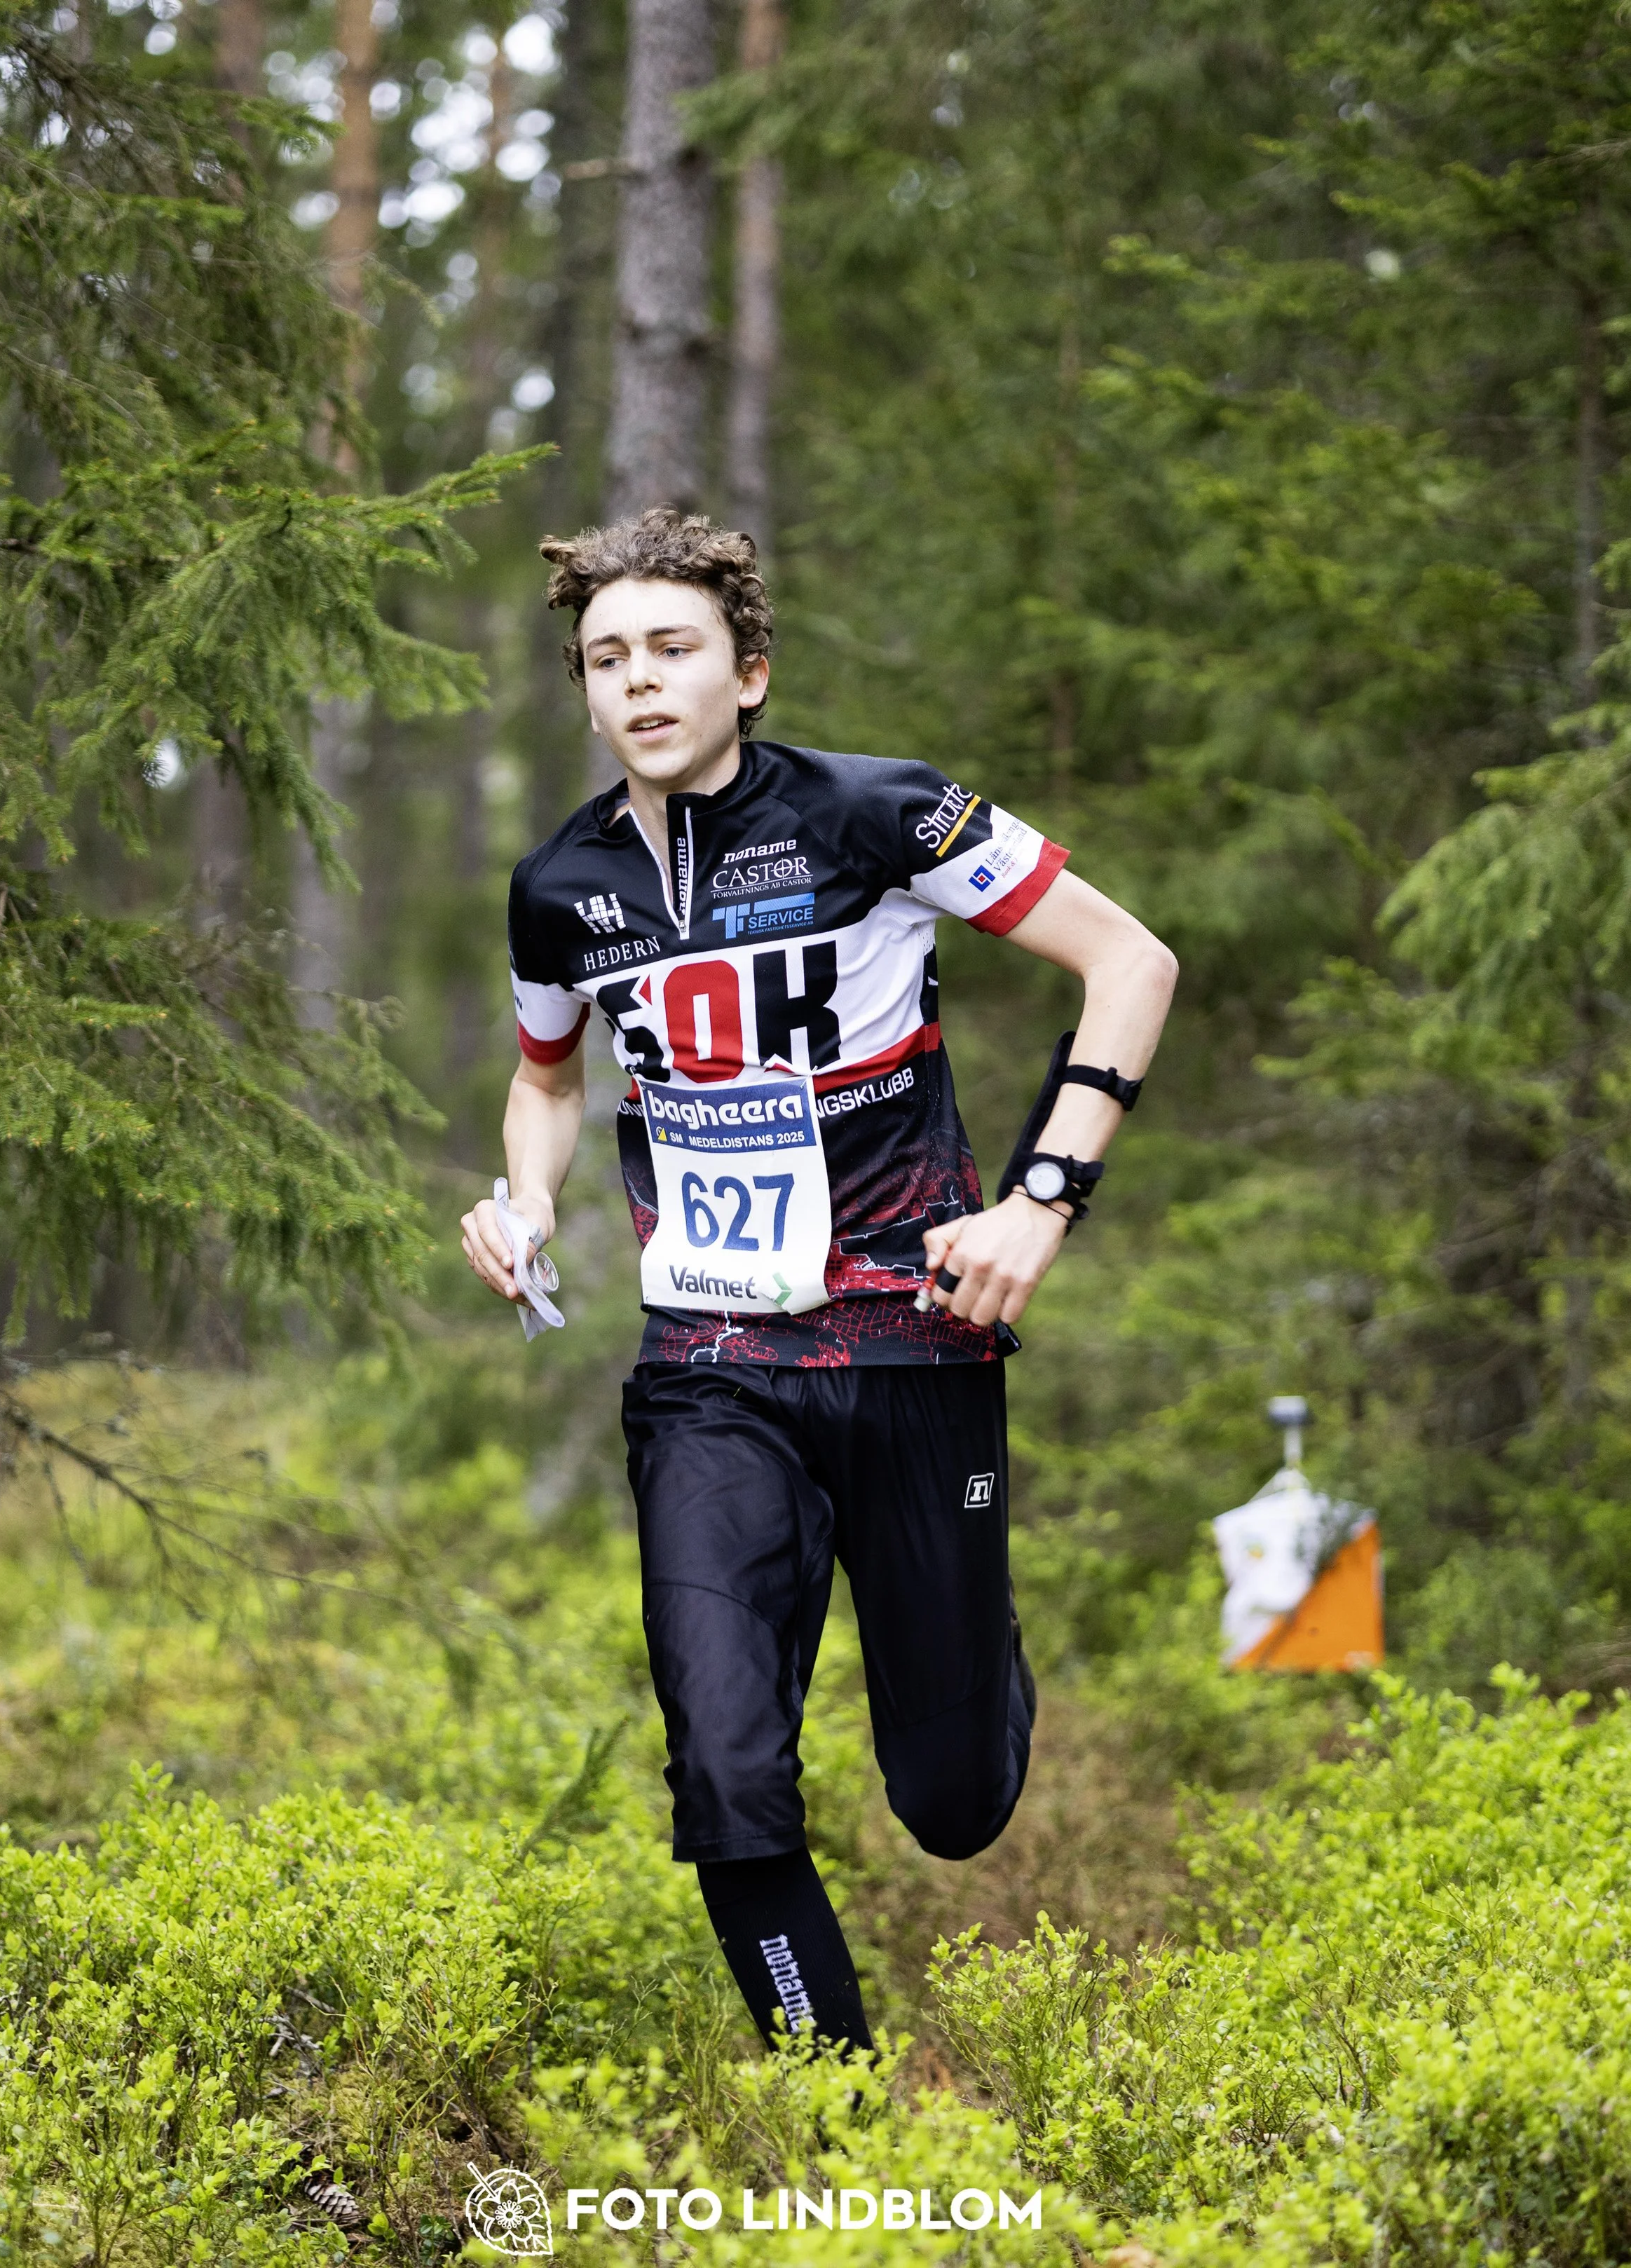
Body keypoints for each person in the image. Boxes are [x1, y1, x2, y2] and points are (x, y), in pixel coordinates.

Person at [461, 507, 1177, 2054]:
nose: (639, 682)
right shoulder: (559, 887)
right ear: (582, 695)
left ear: (750, 671)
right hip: (710, 1366)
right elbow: (545, 1079)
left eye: (672, 649)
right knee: (720, 1764)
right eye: (606, 658)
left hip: (917, 1343)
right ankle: (827, 2101)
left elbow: (1132, 962)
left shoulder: (881, 817)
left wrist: (1039, 1204)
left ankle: (973, 1656)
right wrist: (521, 1202)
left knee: (951, 1804)